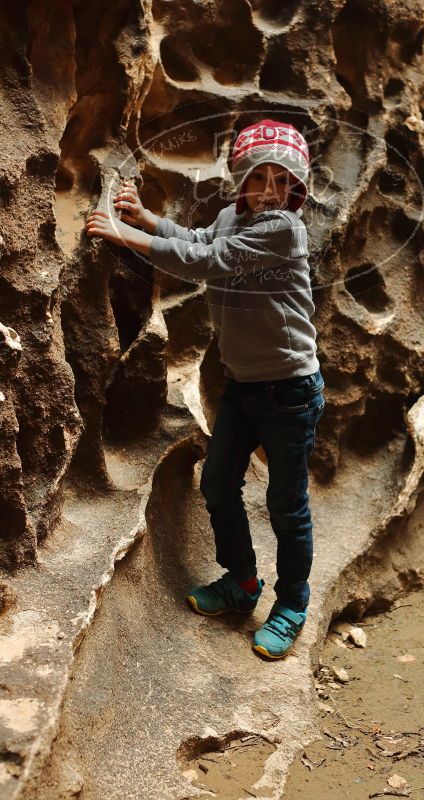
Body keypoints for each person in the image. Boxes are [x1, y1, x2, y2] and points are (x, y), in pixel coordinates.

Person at [85, 118, 325, 659]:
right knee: (218, 484)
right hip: (244, 386)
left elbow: (210, 263)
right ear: (240, 179)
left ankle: (293, 602)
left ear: (295, 189)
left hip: (290, 390)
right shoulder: (232, 215)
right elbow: (198, 240)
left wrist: (131, 236)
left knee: (288, 505)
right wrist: (150, 220)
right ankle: (241, 581)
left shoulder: (283, 229)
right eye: (257, 176)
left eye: (280, 179)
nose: (268, 189)